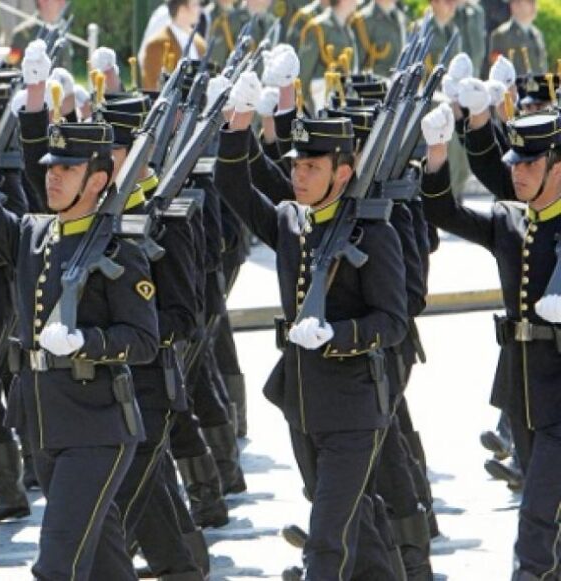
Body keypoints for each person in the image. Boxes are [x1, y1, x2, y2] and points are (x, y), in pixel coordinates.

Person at [0, 35, 161, 578]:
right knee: (102, 562)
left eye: (65, 170)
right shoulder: (30, 235)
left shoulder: (120, 249)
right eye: (49, 166)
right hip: (43, 422)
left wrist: (86, 342)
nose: (50, 175)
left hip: (97, 426)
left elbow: (142, 341)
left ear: (98, 180)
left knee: (56, 564)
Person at [220, 72, 407, 580]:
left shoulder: (373, 232)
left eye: (311, 166)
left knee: (325, 541)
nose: (298, 176)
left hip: (353, 407)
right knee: (356, 528)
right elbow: (231, 183)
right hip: (302, 402)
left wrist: (339, 335)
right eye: (295, 165)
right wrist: (237, 124)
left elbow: (393, 322)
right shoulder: (289, 223)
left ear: (343, 172)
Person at [420, 103, 561, 581]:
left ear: (557, 168)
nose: (517, 173)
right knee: (548, 513)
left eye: (530, 164)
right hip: (522, 392)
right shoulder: (510, 221)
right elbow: (444, 211)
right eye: (515, 164)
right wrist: (437, 155)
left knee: (536, 519)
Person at [141, 0, 207, 91]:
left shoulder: (200, 43)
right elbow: (152, 88)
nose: (200, 9)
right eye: (195, 4)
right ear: (182, 9)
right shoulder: (156, 45)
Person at [489, 0, 548, 77]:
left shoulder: (537, 34)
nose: (534, 6)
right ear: (515, 5)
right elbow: (498, 71)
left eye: (534, 2)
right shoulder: (502, 35)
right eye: (530, 2)